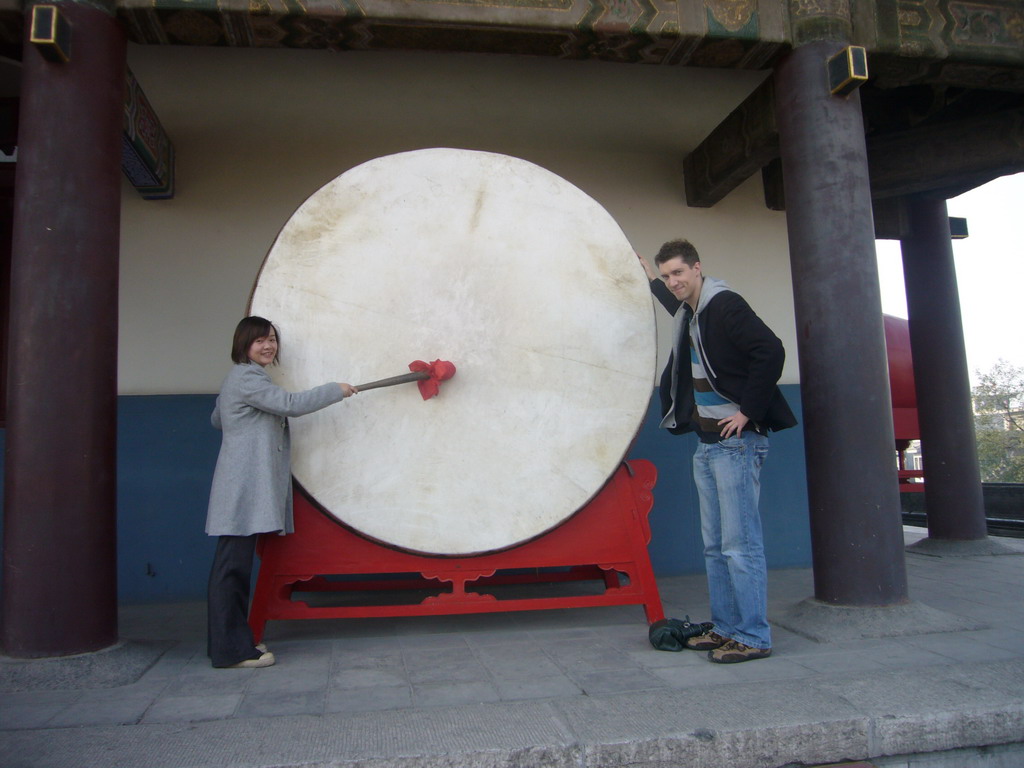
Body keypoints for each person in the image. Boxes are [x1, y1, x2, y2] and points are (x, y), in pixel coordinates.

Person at [639, 240, 796, 663]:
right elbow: (675, 306)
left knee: (740, 546)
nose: (674, 282)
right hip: (708, 444)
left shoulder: (724, 305)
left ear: (697, 268)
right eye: (667, 275)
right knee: (715, 546)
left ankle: (753, 636)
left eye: (678, 273)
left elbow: (771, 350)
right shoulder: (691, 312)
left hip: (737, 445)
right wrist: (648, 278)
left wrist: (748, 412)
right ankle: (726, 628)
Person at [205, 316, 359, 668]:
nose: (268, 346)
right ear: (243, 344)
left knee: (233, 569)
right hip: (242, 489)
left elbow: (217, 418)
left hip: (240, 487)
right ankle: (232, 651)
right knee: (231, 572)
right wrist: (337, 389)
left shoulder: (243, 379)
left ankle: (231, 644)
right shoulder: (246, 377)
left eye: (272, 339)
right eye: (259, 340)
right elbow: (290, 404)